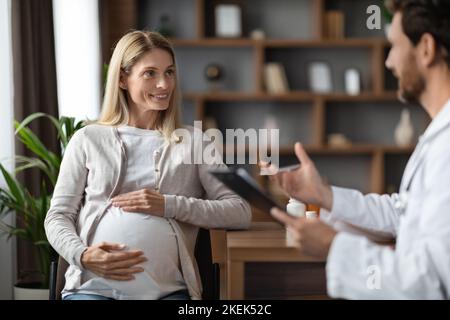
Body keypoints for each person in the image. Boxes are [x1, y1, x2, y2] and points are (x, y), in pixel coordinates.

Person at [44, 31, 251, 300]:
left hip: (168, 293)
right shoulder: (87, 139)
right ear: (122, 79)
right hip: (92, 290)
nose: (164, 84)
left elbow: (239, 211)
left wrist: (167, 204)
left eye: (170, 72)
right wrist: (82, 255)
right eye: (150, 73)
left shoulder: (194, 142)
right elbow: (58, 216)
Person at [266, 0, 450, 299]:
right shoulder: (438, 134)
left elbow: (432, 283)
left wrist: (333, 246)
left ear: (426, 48)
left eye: (394, 45)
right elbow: (402, 211)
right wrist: (323, 195)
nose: (389, 62)